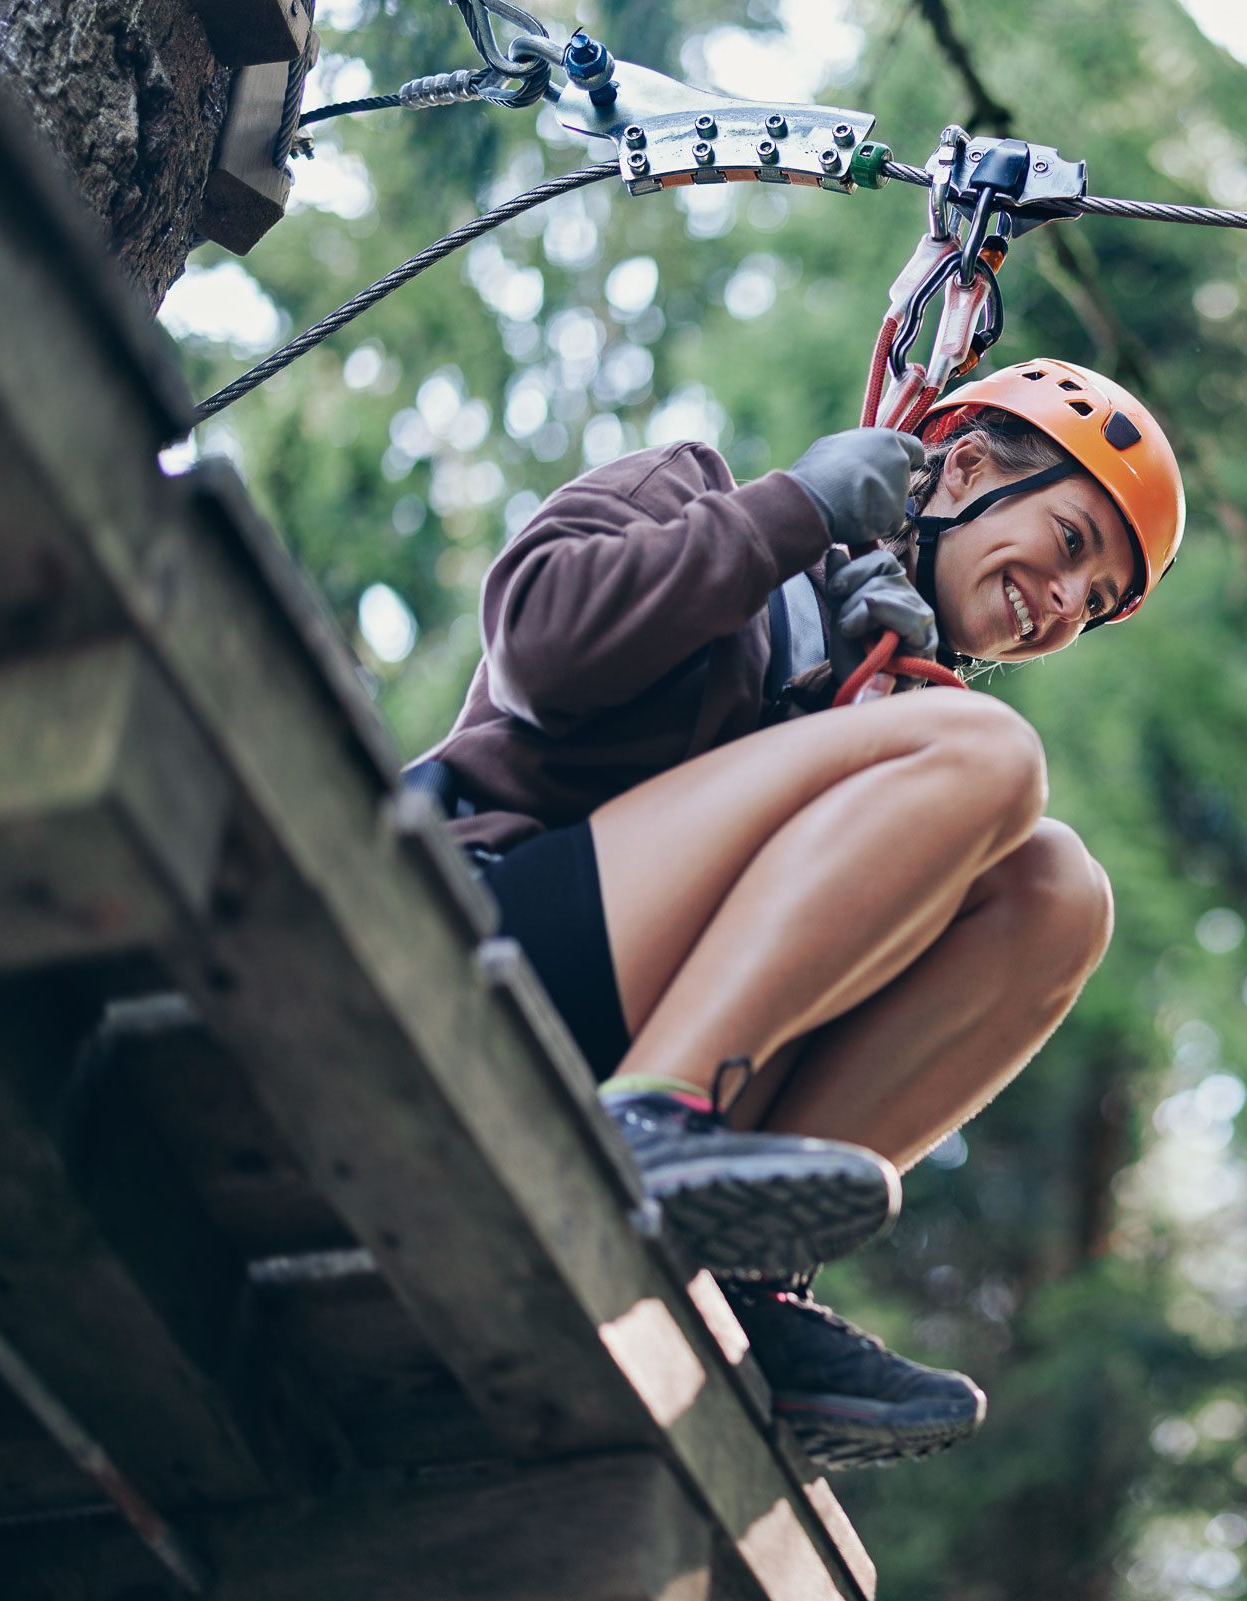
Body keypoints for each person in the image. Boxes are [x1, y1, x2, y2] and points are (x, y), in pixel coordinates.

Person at [405, 358, 1185, 1468]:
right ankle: (655, 1121)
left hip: (631, 1026)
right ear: (962, 466)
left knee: (1057, 893)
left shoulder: (907, 724)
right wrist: (795, 515)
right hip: (496, 943)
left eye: (1092, 603)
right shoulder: (700, 492)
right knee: (995, 755)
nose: (1063, 606)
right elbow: (536, 643)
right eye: (1069, 546)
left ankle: (746, 1265)